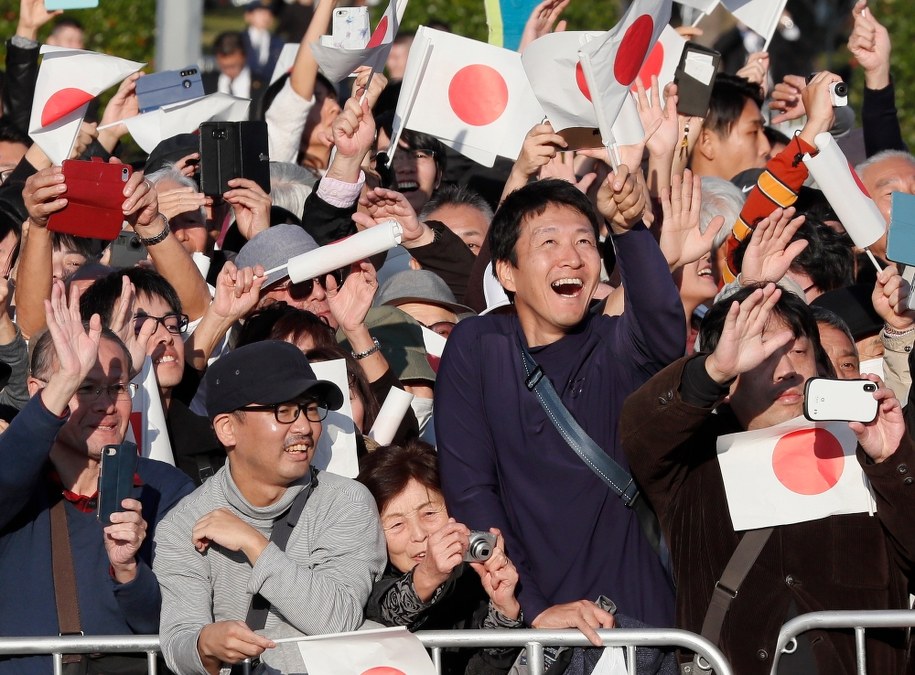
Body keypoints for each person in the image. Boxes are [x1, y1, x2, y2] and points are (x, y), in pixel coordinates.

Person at [621, 284, 915, 674]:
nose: (785, 370)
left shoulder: (867, 447)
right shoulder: (690, 460)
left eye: (796, 351)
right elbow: (639, 429)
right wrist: (710, 372)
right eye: (761, 355)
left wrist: (892, 460)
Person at [436, 175, 683, 640]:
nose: (571, 257)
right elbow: (470, 490)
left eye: (585, 241)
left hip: (637, 618)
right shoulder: (479, 347)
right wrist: (533, 608)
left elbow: (664, 330)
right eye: (548, 242)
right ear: (507, 272)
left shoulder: (613, 342)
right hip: (534, 627)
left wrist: (628, 228)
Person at [154, 340, 387, 674]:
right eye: (284, 410)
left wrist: (253, 544)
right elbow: (179, 642)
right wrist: (205, 643)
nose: (305, 427)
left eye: (310, 408)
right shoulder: (184, 523)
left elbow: (338, 618)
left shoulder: (347, 502)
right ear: (227, 428)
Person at [0, 281, 193, 674]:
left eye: (117, 388)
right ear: (40, 391)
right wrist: (66, 377)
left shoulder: (166, 489)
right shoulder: (18, 484)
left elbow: (179, 627)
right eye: (86, 387)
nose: (106, 405)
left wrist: (129, 572)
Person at [358, 442, 522, 675]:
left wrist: (504, 611)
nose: (419, 534)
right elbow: (383, 612)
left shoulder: (477, 578)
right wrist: (427, 575)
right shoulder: (363, 577)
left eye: (430, 513)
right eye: (396, 524)